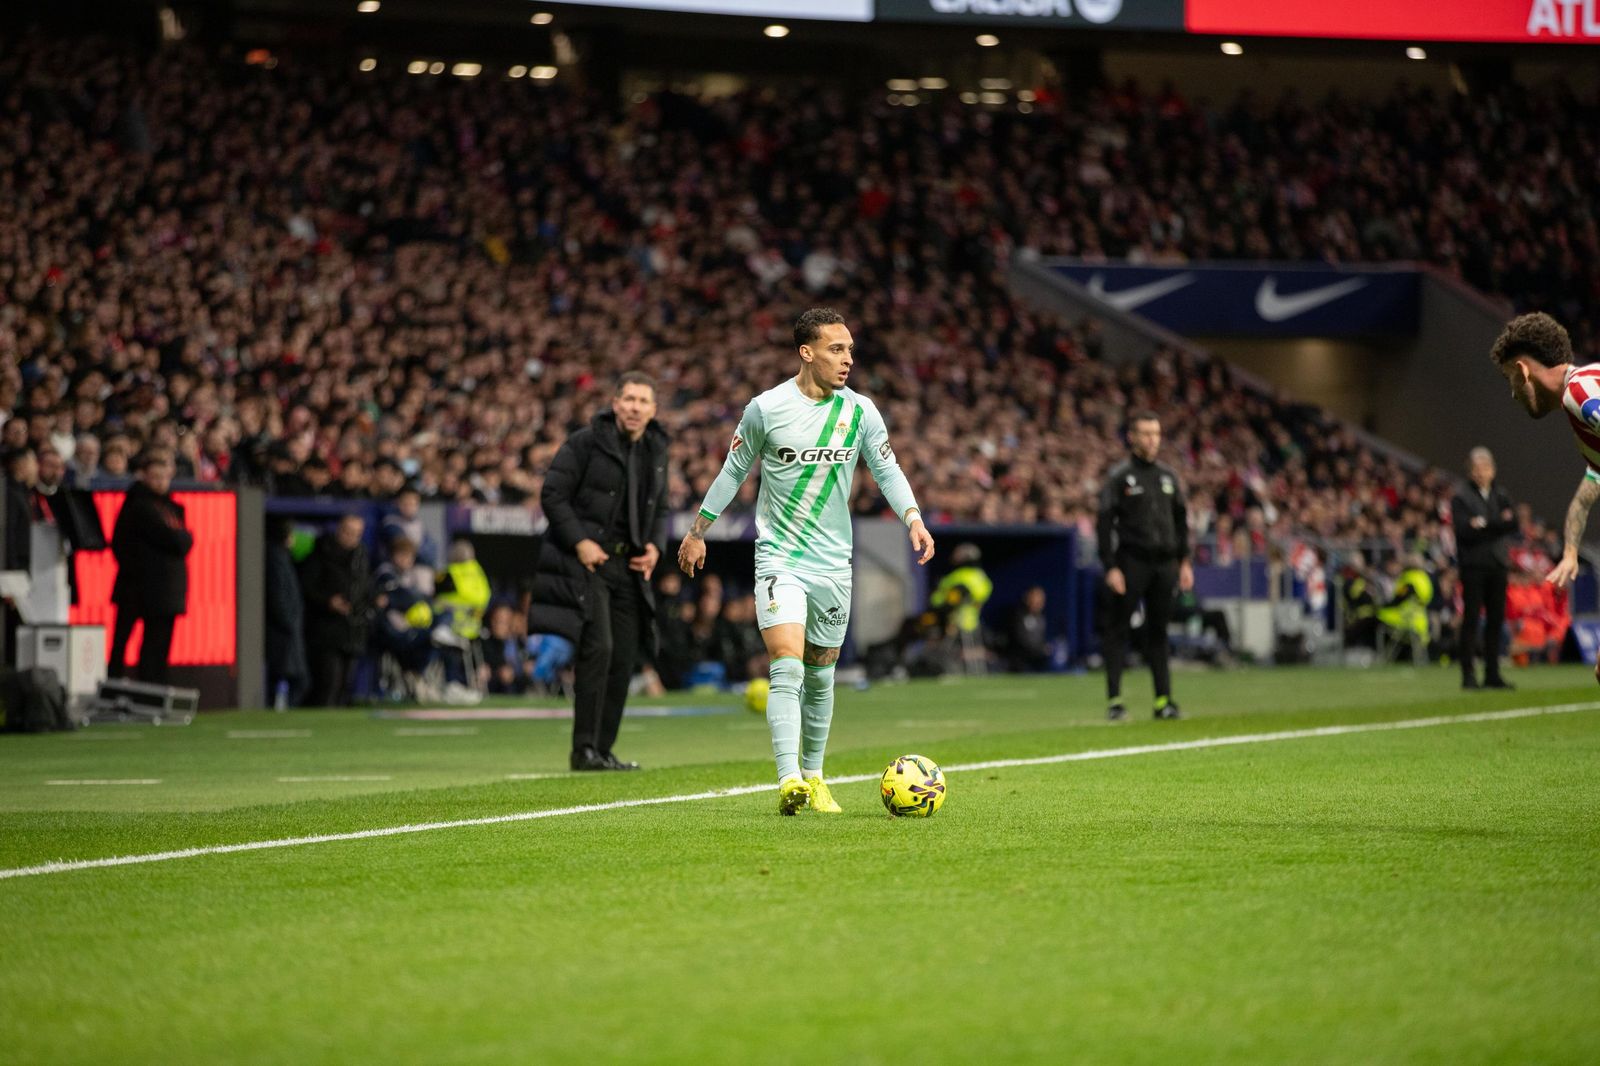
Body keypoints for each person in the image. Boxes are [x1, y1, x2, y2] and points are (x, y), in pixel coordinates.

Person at [678, 307, 936, 815]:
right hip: (780, 557)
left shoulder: (861, 411)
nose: (847, 359)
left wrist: (913, 518)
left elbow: (887, 469)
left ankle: (815, 776)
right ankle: (788, 778)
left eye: (850, 350)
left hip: (834, 564)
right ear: (807, 352)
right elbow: (733, 471)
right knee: (786, 664)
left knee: (820, 675)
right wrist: (697, 531)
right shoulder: (766, 409)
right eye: (836, 349)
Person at [530, 372, 670, 772]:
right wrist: (580, 542)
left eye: (643, 401)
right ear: (615, 403)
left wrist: (655, 546)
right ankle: (584, 750)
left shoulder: (657, 448)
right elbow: (553, 493)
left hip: (629, 567)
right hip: (589, 563)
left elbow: (660, 506)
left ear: (653, 410)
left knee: (624, 656)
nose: (635, 407)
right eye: (629, 399)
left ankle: (604, 750)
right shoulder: (586, 442)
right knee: (600, 649)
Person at [1096, 410, 1193, 721]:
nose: (1153, 440)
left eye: (1156, 434)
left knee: (1159, 631)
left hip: (1165, 564)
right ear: (1132, 437)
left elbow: (1181, 521)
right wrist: (1111, 566)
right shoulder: (1119, 476)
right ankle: (1115, 702)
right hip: (1131, 562)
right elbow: (1104, 524)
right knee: (1118, 629)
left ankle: (1163, 701)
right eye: (1146, 434)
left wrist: (1185, 561)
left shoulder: (1168, 476)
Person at [109, 448, 193, 685]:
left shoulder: (172, 508)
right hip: (137, 588)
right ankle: (118, 687)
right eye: (155, 477)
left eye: (164, 477)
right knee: (124, 642)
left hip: (166, 591)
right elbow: (175, 540)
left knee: (158, 646)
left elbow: (181, 540)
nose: (160, 482)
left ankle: (153, 689)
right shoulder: (138, 506)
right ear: (144, 476)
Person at [1451, 447, 1516, 690]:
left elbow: (1513, 523)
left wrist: (1484, 525)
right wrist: (1497, 524)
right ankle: (1468, 674)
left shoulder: (1501, 494)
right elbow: (1464, 530)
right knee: (1471, 619)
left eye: (1485, 467)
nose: (1481, 472)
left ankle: (1492, 673)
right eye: (1477, 468)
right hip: (1473, 565)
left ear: (1493, 470)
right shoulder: (1461, 496)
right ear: (1470, 471)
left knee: (1496, 620)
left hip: (1497, 564)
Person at [299, 513, 378, 707]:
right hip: (326, 630)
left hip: (353, 629)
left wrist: (372, 601)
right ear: (339, 530)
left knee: (345, 685)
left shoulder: (361, 557)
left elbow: (366, 588)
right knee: (328, 683)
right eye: (348, 532)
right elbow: (307, 587)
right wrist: (328, 601)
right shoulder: (321, 553)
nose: (351, 537)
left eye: (357, 533)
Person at [264, 516, 309, 707]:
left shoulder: (282, 557)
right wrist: (289, 622)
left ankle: (281, 708)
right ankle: (279, 710)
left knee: (295, 679)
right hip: (283, 632)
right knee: (298, 680)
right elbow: (278, 596)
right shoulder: (275, 559)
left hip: (288, 629)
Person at [1005, 586, 1052, 673]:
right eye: (1035, 599)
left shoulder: (1041, 618)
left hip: (1037, 659)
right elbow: (1019, 640)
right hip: (1019, 659)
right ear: (1027, 599)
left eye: (1041, 600)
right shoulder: (1017, 616)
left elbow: (1040, 639)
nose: (1038, 603)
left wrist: (1044, 648)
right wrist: (1039, 649)